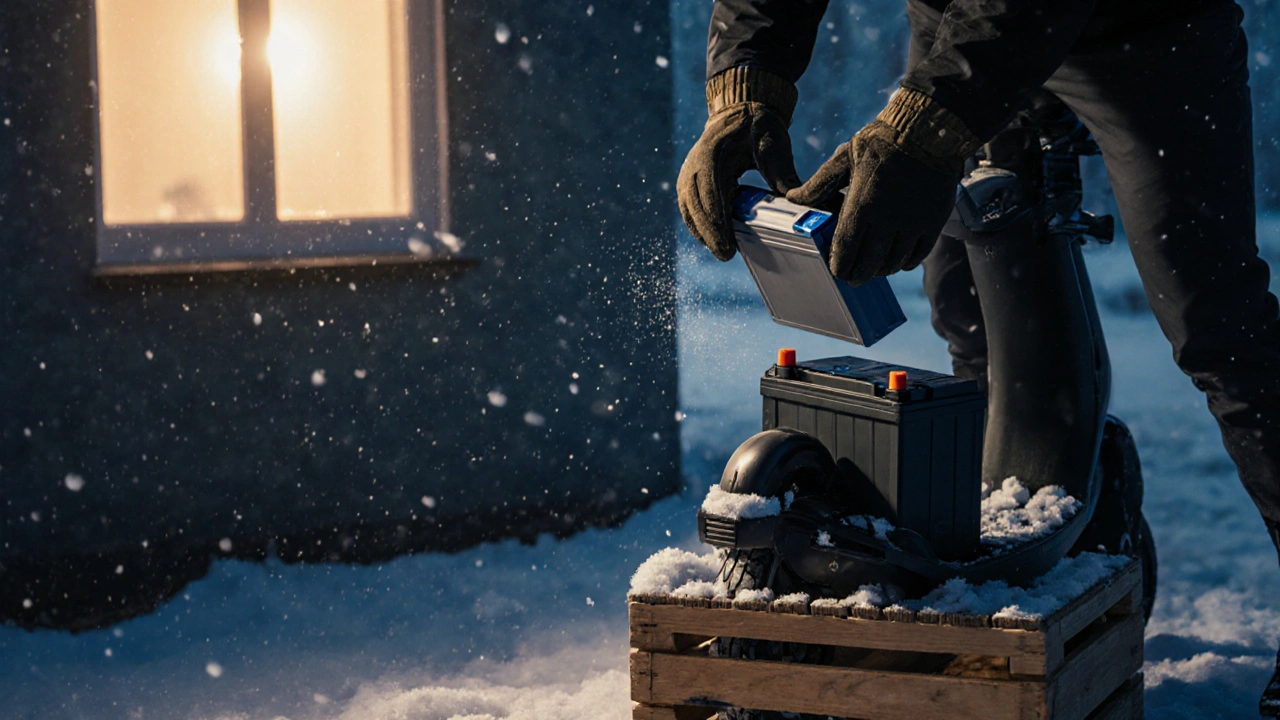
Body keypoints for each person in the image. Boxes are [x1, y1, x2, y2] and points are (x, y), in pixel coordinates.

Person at [677, 0, 1280, 712]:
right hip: (962, 19)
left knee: (1214, 319)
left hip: (1145, 25)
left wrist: (927, 132)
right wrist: (744, 87)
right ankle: (1051, 514)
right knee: (968, 304)